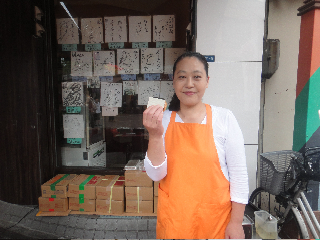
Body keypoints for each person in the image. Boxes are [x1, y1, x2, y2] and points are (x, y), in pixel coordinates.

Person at [143, 52, 249, 239]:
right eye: (182, 77)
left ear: (207, 81)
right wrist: (155, 135)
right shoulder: (163, 119)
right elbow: (155, 174)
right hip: (175, 221)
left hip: (215, 222)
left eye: (197, 77)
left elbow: (239, 176)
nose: (189, 84)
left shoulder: (224, 118)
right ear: (173, 81)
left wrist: (236, 223)